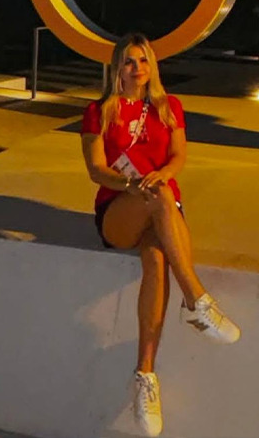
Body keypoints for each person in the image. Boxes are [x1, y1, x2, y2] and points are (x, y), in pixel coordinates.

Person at [81, 32, 240, 437]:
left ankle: (145, 376)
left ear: (153, 66)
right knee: (159, 198)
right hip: (121, 208)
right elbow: (97, 170)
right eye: (130, 62)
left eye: (144, 61)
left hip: (162, 205)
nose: (137, 69)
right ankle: (197, 300)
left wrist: (163, 174)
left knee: (156, 258)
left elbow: (178, 156)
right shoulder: (99, 111)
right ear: (117, 67)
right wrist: (130, 186)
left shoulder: (169, 107)